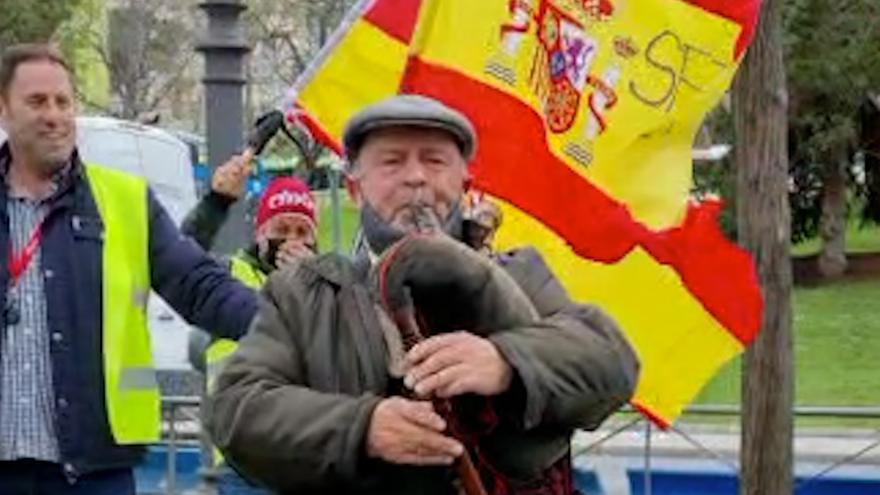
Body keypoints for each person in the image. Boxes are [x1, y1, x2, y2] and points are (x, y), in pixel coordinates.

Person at [206, 94, 639, 495]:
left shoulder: (519, 273)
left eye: (434, 161)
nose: (415, 178)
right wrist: (363, 427)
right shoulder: (306, 293)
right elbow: (235, 410)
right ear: (356, 189)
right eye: (392, 162)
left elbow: (613, 363)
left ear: (465, 184)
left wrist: (507, 361)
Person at [0, 43, 258, 494]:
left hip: (93, 469)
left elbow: (199, 285)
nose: (54, 115)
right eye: (36, 101)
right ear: (3, 110)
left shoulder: (125, 200)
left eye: (63, 102)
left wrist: (291, 324)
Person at [182, 154, 319, 495]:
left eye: (303, 231)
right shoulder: (230, 275)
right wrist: (216, 203)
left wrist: (315, 279)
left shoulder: (330, 283)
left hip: (311, 463)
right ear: (260, 233)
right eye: (281, 229)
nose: (292, 239)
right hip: (240, 466)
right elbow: (179, 259)